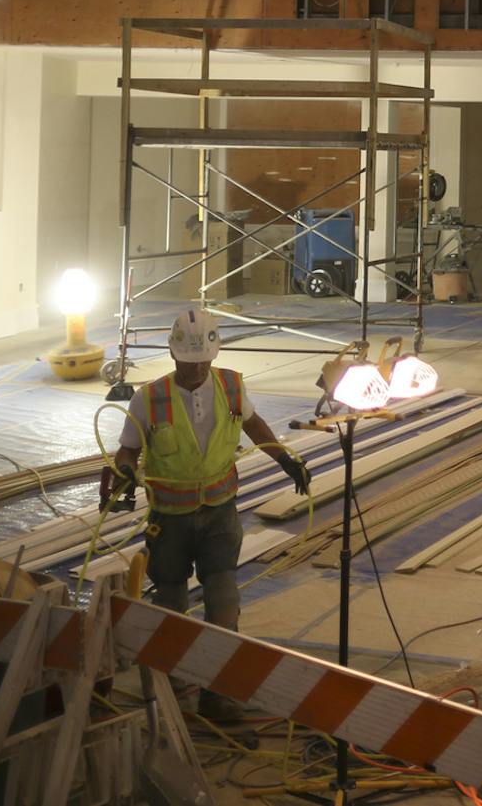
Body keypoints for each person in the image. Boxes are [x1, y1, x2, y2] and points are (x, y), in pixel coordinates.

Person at [111, 308, 311, 722]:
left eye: (203, 361)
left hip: (220, 511)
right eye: (188, 361)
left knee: (223, 596)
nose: (196, 369)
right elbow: (128, 449)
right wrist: (125, 474)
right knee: (170, 598)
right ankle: (174, 686)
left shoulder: (231, 386)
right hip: (170, 519)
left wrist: (286, 460)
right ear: (173, 355)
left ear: (214, 355)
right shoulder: (149, 398)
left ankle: (218, 691)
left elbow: (255, 427)